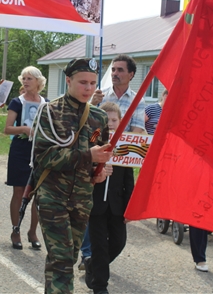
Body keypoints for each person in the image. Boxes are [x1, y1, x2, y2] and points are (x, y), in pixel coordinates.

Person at [31, 58, 113, 293]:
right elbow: (43, 157)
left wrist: (101, 171)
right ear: (68, 80)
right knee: (62, 259)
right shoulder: (49, 111)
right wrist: (89, 156)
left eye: (93, 83)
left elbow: (100, 151)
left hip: (82, 198)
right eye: (82, 82)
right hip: (52, 196)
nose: (88, 88)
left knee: (69, 256)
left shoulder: (99, 117)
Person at [86, 102, 134, 294]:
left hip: (117, 204)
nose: (111, 123)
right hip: (95, 203)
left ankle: (92, 265)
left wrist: (130, 206)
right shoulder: (93, 139)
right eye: (106, 119)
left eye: (114, 120)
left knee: (117, 243)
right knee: (99, 245)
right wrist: (97, 168)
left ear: (121, 121)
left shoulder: (125, 145)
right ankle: (100, 286)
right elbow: (83, 164)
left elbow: (128, 180)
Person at [3, 66, 47, 250]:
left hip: (40, 151)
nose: (26, 81)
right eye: (24, 78)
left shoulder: (45, 103)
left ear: (38, 82)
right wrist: (23, 129)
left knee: (38, 194)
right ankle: (16, 230)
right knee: (19, 192)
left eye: (30, 78)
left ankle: (32, 232)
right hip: (20, 150)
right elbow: (7, 129)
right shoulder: (17, 102)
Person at [91, 54, 146, 134]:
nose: (115, 73)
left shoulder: (138, 101)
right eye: (113, 70)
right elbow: (86, 121)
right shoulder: (99, 95)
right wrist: (92, 104)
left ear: (131, 75)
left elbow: (137, 130)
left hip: (124, 145)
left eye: (120, 70)